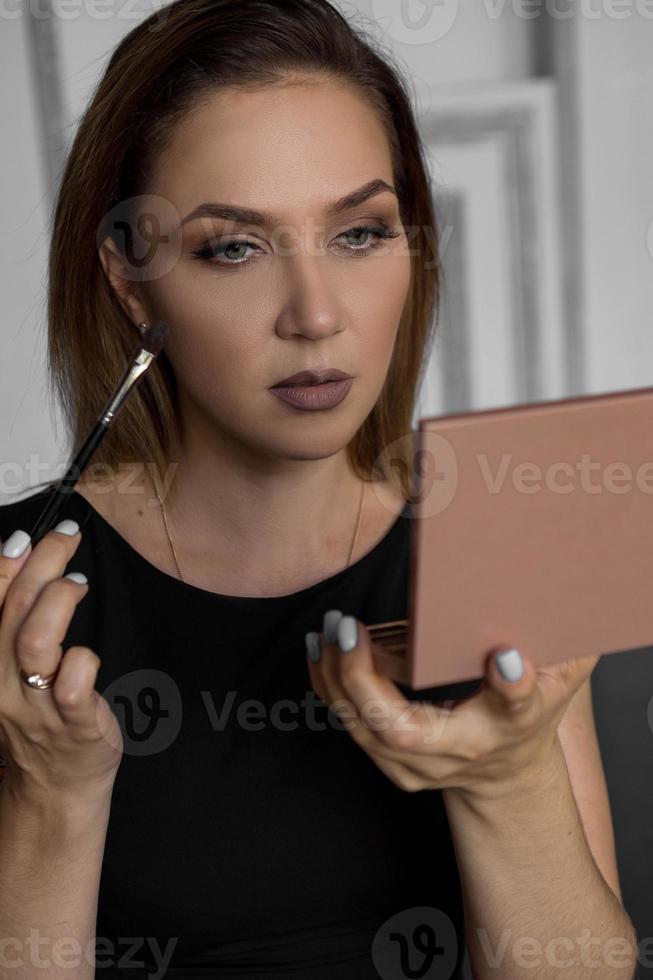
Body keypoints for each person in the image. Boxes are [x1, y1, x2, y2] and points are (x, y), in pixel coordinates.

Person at [0, 1, 637, 978]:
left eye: (358, 232)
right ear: (132, 283)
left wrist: (507, 780)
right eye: (234, 246)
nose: (315, 314)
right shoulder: (18, 596)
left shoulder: (501, 543)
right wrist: (50, 795)